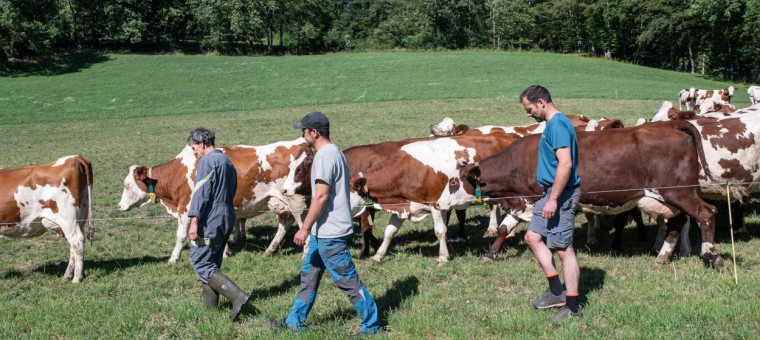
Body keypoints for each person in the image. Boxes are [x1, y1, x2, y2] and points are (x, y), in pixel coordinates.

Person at [266, 111, 382, 335]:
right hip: (323, 231)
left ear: (314, 132)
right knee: (309, 276)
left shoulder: (324, 156)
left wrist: (304, 228)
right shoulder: (334, 151)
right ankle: (294, 322)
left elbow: (321, 196)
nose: (302, 134)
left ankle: (372, 325)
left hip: (331, 233)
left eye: (304, 130)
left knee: (347, 280)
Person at [519, 85, 583, 322]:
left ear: (541, 102)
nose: (528, 114)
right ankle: (556, 291)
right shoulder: (555, 123)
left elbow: (565, 164)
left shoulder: (557, 126)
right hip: (551, 193)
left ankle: (573, 305)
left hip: (561, 195)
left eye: (529, 109)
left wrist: (554, 199)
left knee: (564, 250)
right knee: (533, 237)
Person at [186, 128, 250, 321]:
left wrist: (194, 220)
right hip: (227, 214)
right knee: (212, 262)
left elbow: (201, 193)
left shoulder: (207, 161)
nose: (194, 152)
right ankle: (210, 312)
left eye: (194, 147)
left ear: (203, 144)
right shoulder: (227, 162)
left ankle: (238, 297)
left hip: (210, 216)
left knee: (200, 261)